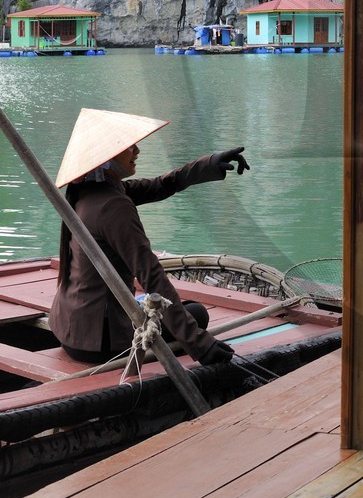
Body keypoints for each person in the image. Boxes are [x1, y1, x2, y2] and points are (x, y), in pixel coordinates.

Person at [48, 108, 250, 366]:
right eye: (129, 146)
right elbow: (152, 276)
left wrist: (210, 164)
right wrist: (200, 344)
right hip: (102, 342)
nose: (137, 150)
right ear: (106, 157)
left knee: (181, 309)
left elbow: (160, 185)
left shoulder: (88, 191)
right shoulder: (113, 206)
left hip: (72, 330)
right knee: (197, 313)